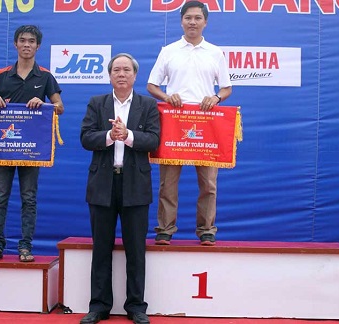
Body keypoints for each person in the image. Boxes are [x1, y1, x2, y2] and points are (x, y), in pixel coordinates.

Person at [80, 53, 160, 324]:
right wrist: (107, 136)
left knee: (135, 249)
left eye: (127, 70)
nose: (122, 74)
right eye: (116, 70)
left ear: (135, 75)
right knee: (101, 247)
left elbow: (154, 140)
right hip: (102, 183)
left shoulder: (148, 105)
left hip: (135, 184)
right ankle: (99, 305)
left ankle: (136, 306)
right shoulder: (97, 103)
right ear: (110, 75)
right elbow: (85, 137)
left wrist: (127, 136)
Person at [147, 1, 232, 246]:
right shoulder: (169, 50)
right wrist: (166, 96)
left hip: (206, 123)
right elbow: (152, 85)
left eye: (197, 18)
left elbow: (226, 88)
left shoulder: (215, 52)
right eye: (188, 18)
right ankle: (165, 228)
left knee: (209, 183)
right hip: (174, 121)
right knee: (168, 182)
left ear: (205, 22)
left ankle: (207, 229)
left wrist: (215, 97)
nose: (192, 22)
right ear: (181, 21)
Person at [0, 25, 64, 263]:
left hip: (31, 149)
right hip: (3, 148)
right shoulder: (1, 75)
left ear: (38, 46)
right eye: (22, 40)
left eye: (31, 41)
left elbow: (60, 107)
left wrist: (45, 103)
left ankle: (25, 247)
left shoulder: (45, 76)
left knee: (29, 199)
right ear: (15, 44)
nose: (26, 44)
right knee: (0, 198)